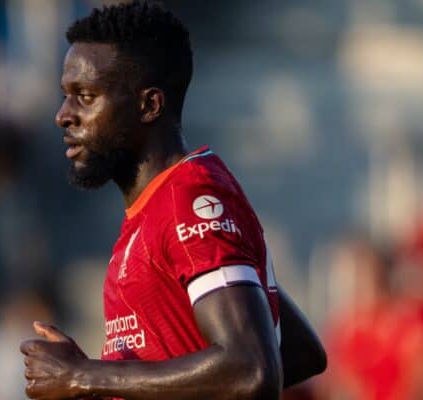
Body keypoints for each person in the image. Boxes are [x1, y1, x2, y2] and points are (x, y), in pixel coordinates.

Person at [21, 2, 326, 399]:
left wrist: (86, 375)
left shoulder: (190, 198)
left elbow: (252, 369)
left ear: (149, 105)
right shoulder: (154, 208)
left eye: (85, 95)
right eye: (66, 95)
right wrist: (104, 383)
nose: (64, 114)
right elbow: (298, 352)